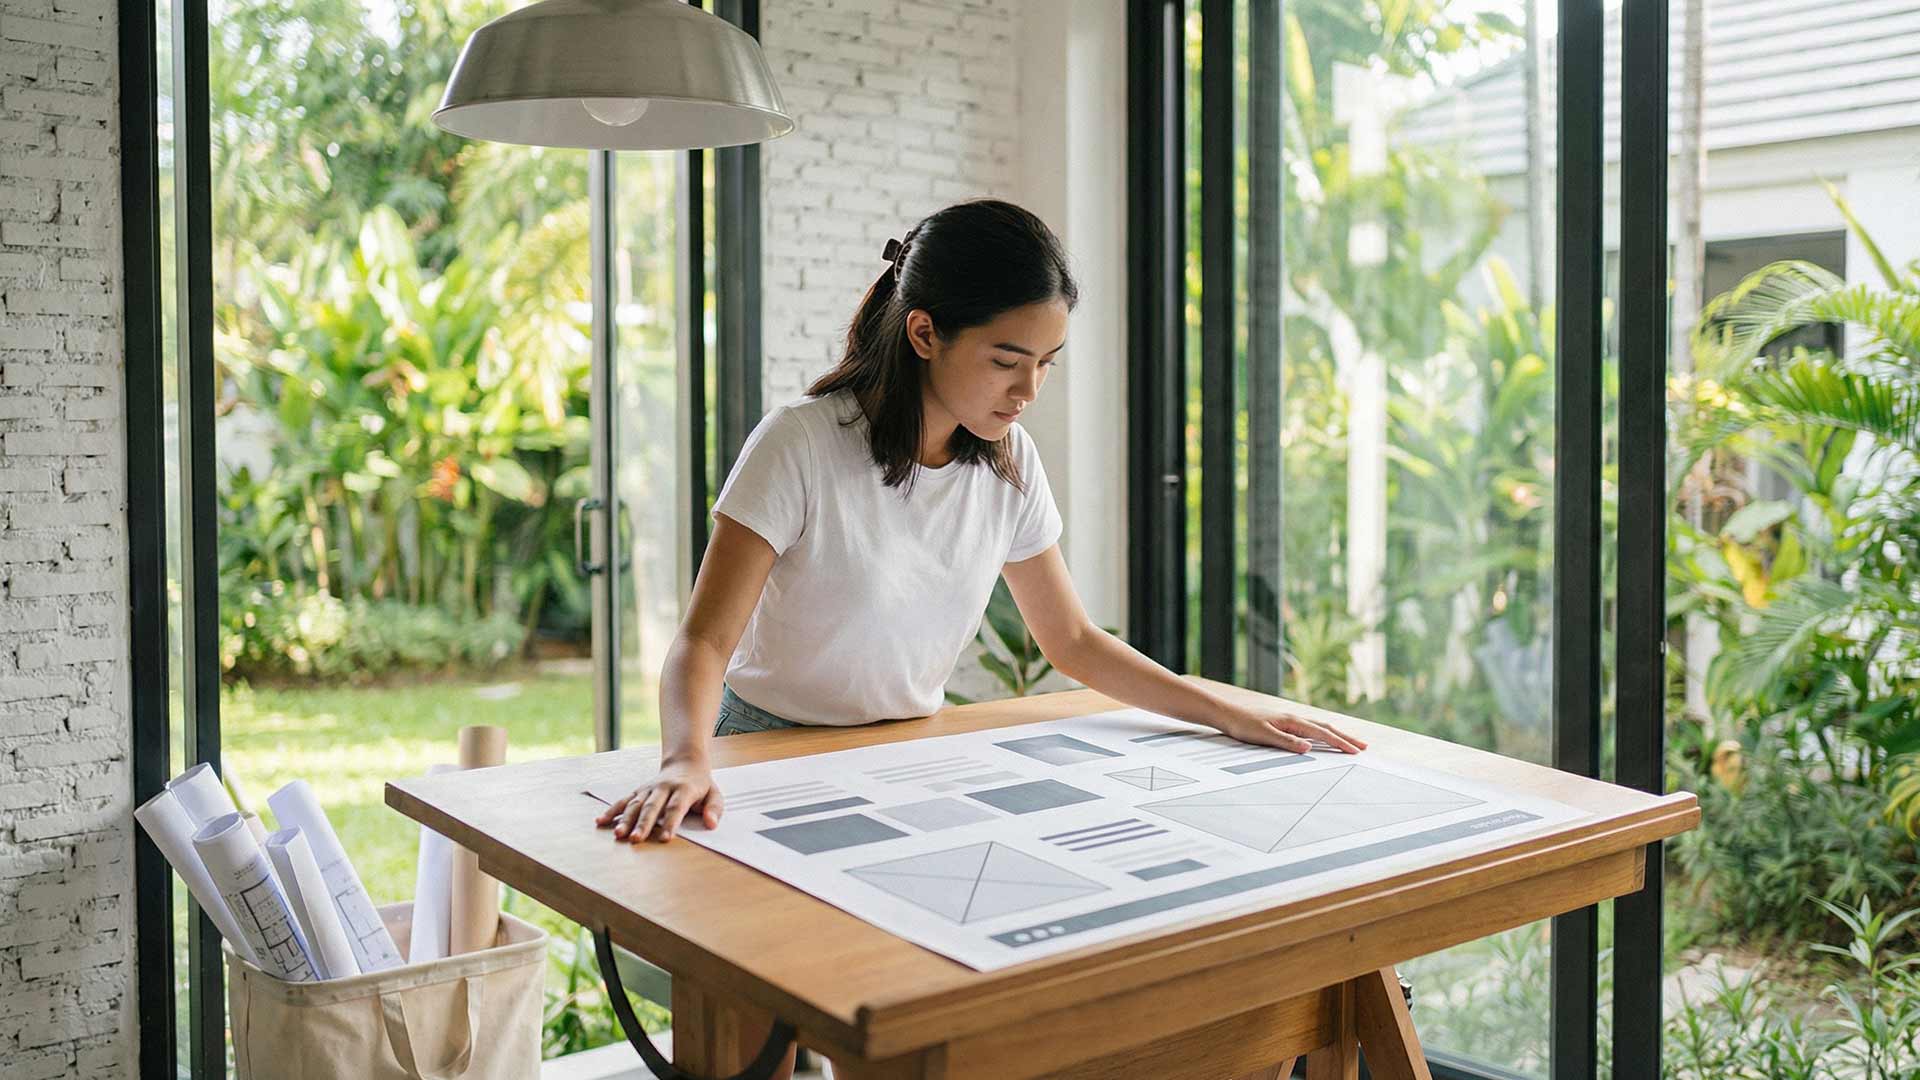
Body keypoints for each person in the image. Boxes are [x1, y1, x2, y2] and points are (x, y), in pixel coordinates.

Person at [597, 197, 1363, 846]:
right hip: (763, 749)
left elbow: (1071, 641)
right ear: (925, 334)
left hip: (906, 752)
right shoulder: (799, 443)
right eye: (1006, 360)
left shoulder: (1009, 461)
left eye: (1047, 361)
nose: (1029, 388)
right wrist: (683, 758)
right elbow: (704, 642)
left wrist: (1230, 712)